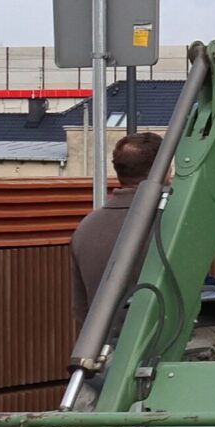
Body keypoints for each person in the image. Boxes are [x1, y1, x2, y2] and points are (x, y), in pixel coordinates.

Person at [70, 131, 162, 320]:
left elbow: (81, 309)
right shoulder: (169, 223)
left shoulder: (86, 228)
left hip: (101, 347)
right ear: (164, 169)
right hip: (162, 345)